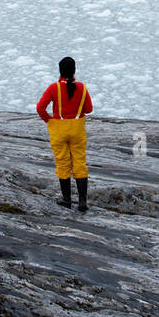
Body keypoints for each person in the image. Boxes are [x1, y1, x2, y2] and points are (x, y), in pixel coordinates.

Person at [36, 56, 93, 212]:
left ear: (60, 71)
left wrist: (50, 121)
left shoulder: (54, 88)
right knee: (80, 163)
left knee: (62, 163)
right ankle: (82, 202)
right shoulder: (82, 87)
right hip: (77, 130)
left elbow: (40, 108)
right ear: (74, 71)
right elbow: (88, 109)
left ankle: (67, 200)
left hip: (59, 130)